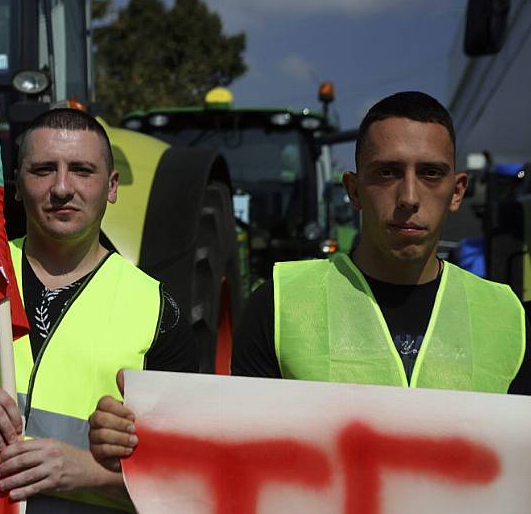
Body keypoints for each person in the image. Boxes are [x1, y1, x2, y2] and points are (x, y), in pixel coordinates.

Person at [88, 91, 530, 474]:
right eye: (387, 173)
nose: (409, 197)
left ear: (457, 191)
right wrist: (141, 433)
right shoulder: (279, 306)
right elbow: (235, 454)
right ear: (353, 190)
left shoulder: (511, 318)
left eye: (430, 173)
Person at [0, 108, 197, 511]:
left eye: (81, 170)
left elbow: (189, 483)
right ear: (17, 185)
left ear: (111, 186)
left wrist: (87, 473)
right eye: (43, 170)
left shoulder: (158, 312)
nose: (62, 187)